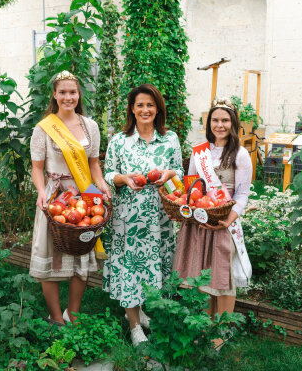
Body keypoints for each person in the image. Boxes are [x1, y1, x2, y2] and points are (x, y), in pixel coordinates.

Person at [103, 84, 183, 346]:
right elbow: (107, 174)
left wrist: (170, 174)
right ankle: (134, 325)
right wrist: (123, 179)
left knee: (155, 265)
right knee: (131, 268)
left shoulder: (170, 138)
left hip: (160, 218)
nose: (145, 109)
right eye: (140, 105)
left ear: (157, 108)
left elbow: (180, 172)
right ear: (132, 109)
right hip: (129, 219)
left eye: (150, 104)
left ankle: (146, 312)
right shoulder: (119, 140)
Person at [29, 70, 112, 326]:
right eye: (62, 92)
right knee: (50, 256)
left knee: (82, 255)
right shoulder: (43, 129)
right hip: (55, 198)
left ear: (79, 94)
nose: (68, 97)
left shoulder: (91, 126)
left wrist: (101, 184)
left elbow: (94, 164)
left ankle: (72, 315)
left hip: (83, 195)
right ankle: (56, 317)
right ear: (54, 95)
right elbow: (37, 168)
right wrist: (42, 192)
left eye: (72, 92)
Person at [172, 102, 252, 347]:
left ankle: (221, 332)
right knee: (202, 274)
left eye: (225, 121)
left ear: (233, 124)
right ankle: (204, 328)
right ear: (209, 124)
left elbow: (242, 193)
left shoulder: (240, 153)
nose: (220, 125)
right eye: (215, 120)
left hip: (224, 222)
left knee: (222, 275)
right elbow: (193, 187)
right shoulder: (200, 152)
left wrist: (230, 218)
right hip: (201, 220)